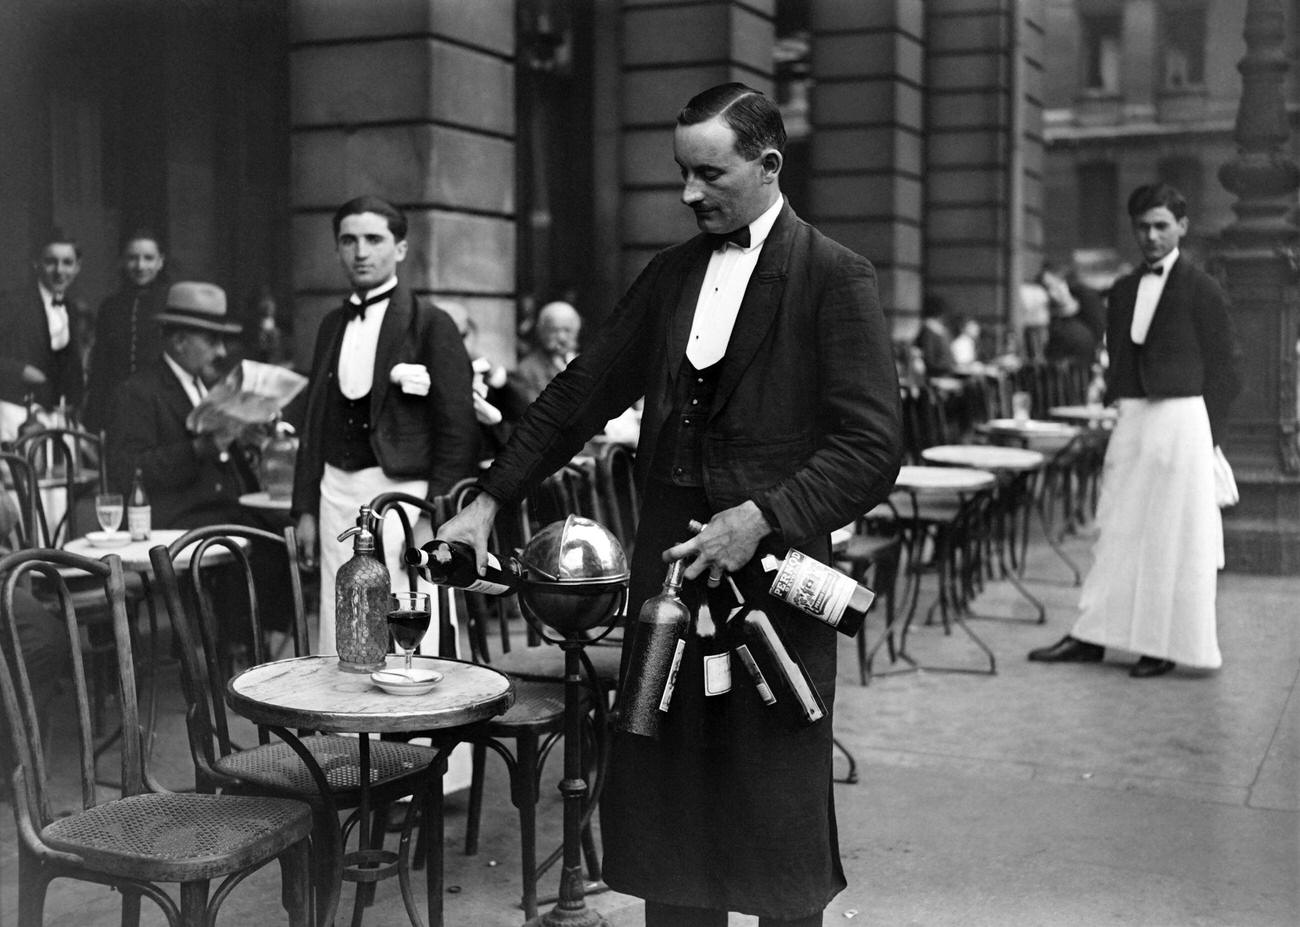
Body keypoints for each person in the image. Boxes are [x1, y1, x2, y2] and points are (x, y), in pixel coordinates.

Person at [436, 83, 902, 926]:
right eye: (681, 174)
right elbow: (578, 394)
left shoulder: (834, 276)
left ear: (768, 166)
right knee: (673, 817)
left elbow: (872, 448)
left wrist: (760, 515)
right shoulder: (670, 274)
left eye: (709, 174)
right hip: (669, 591)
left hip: (775, 589)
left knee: (773, 822)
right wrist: (488, 500)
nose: (690, 194)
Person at [1028, 182, 1241, 678]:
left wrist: (1207, 439)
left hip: (1182, 419)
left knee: (1170, 536)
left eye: (1161, 226)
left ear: (1182, 228)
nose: (1150, 236)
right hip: (1135, 417)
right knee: (1118, 528)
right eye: (1142, 227)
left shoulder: (1202, 288)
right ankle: (1094, 635)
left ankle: (1162, 644)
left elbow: (1228, 369)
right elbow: (1121, 356)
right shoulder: (1122, 290)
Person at [291, 195, 477, 656]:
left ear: (400, 248)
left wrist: (433, 519)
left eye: (374, 239)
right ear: (336, 249)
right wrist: (306, 509)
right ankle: (349, 721)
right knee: (346, 617)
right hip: (337, 495)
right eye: (348, 240)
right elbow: (316, 422)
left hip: (405, 498)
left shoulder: (430, 324)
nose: (360, 251)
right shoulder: (331, 324)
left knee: (412, 611)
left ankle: (420, 726)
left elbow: (459, 431)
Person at [106, 281, 253, 528]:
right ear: (179, 341)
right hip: (180, 528)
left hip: (224, 515)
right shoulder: (138, 392)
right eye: (211, 340)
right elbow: (128, 471)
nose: (221, 352)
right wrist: (199, 448)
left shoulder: (204, 385)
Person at [0, 229, 86, 438]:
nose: (59, 270)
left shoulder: (73, 310)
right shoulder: (13, 303)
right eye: (51, 262)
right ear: (36, 263)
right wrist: (20, 369)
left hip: (56, 415)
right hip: (14, 412)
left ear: (77, 267)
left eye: (67, 262)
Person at [83, 228, 169, 434]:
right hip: (117, 406)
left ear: (160, 262)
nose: (140, 266)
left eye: (148, 258)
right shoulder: (110, 306)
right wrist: (93, 419)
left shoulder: (171, 304)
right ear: (122, 261)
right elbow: (101, 365)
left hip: (160, 406)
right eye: (132, 258)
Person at [504, 299, 583, 414]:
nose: (561, 337)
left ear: (576, 332)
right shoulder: (527, 370)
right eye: (554, 330)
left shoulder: (585, 363)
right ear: (541, 332)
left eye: (567, 330)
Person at [1041, 260, 1102, 367]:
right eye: (1047, 288)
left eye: (1053, 286)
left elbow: (1099, 330)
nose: (1051, 293)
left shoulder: (1086, 299)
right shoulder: (1053, 315)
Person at [913, 294, 956, 376]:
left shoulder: (940, 331)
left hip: (945, 370)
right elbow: (930, 359)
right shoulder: (930, 331)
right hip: (938, 373)